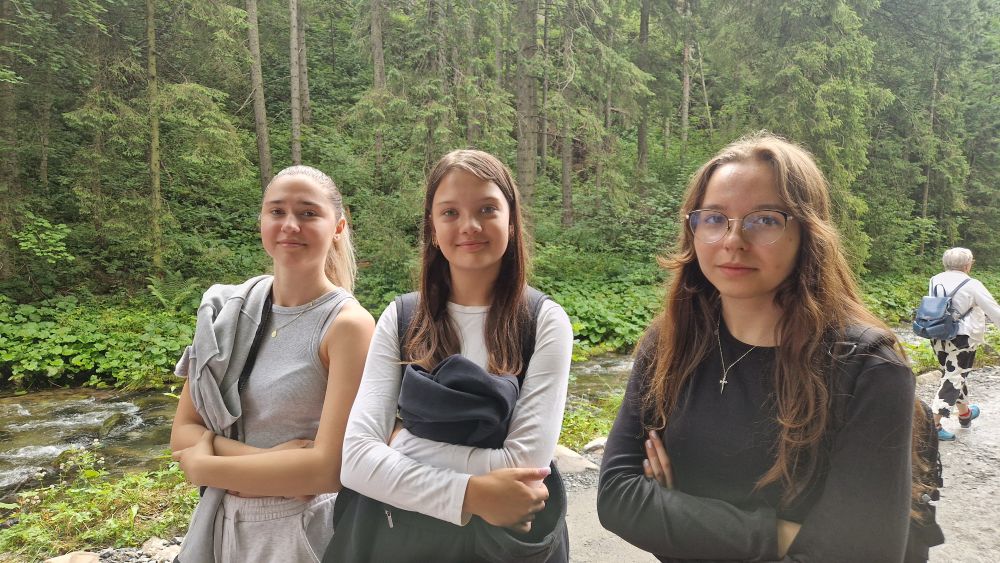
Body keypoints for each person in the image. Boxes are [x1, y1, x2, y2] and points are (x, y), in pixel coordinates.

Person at [597, 133, 915, 561]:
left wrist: (675, 516)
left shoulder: (866, 370)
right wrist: (777, 535)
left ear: (807, 232)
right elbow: (617, 497)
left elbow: (859, 555)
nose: (733, 240)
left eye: (764, 220)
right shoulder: (672, 341)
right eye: (714, 218)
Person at [326, 149, 573, 562]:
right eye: (450, 212)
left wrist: (401, 443)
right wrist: (471, 495)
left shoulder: (544, 321)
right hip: (404, 545)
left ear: (512, 221)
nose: (469, 225)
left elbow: (524, 465)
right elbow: (354, 461)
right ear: (433, 227)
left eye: (487, 209)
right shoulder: (401, 318)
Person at [169, 165, 375, 562]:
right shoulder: (227, 310)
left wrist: (205, 467)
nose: (290, 225)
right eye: (277, 211)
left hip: (298, 533)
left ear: (338, 227)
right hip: (219, 525)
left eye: (308, 213)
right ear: (262, 221)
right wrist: (272, 464)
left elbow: (327, 470)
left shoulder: (348, 326)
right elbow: (182, 433)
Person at [928, 247, 1000, 441]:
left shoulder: (934, 279)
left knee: (953, 374)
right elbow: (993, 310)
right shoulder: (972, 284)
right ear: (968, 265)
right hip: (963, 338)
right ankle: (933, 425)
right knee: (954, 377)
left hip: (938, 334)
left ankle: (965, 414)